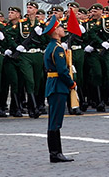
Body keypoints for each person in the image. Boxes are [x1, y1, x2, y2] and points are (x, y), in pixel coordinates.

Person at [42, 14, 75, 163]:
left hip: (53, 85)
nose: (63, 29)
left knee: (54, 120)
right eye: (61, 27)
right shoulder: (57, 49)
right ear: (55, 31)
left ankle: (56, 152)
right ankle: (55, 153)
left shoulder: (52, 47)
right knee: (55, 121)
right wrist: (71, 83)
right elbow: (62, 71)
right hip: (58, 86)